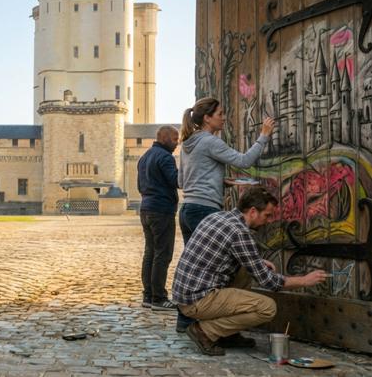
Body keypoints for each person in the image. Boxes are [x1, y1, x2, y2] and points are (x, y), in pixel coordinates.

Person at [171, 187, 327, 356]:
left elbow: (229, 255)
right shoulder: (240, 232)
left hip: (185, 294)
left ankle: (227, 334)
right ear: (253, 211)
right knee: (267, 308)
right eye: (267, 215)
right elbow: (270, 282)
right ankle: (205, 331)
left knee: (246, 269)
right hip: (197, 300)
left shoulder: (218, 217)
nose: (268, 221)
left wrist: (257, 262)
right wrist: (304, 280)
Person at [176, 97, 274, 332]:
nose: (224, 117)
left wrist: (220, 181)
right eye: (220, 113)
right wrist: (264, 135)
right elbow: (244, 161)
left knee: (196, 269)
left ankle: (186, 322)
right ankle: (212, 327)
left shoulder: (188, 142)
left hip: (188, 209)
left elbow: (182, 181)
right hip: (205, 210)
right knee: (221, 269)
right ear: (207, 118)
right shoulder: (210, 141)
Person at [137, 125, 179, 310]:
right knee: (163, 254)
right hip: (161, 210)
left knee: (150, 253)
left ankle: (148, 296)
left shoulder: (144, 157)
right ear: (164, 138)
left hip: (146, 208)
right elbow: (176, 181)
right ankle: (159, 298)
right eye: (174, 139)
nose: (177, 143)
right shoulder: (165, 157)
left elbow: (140, 186)